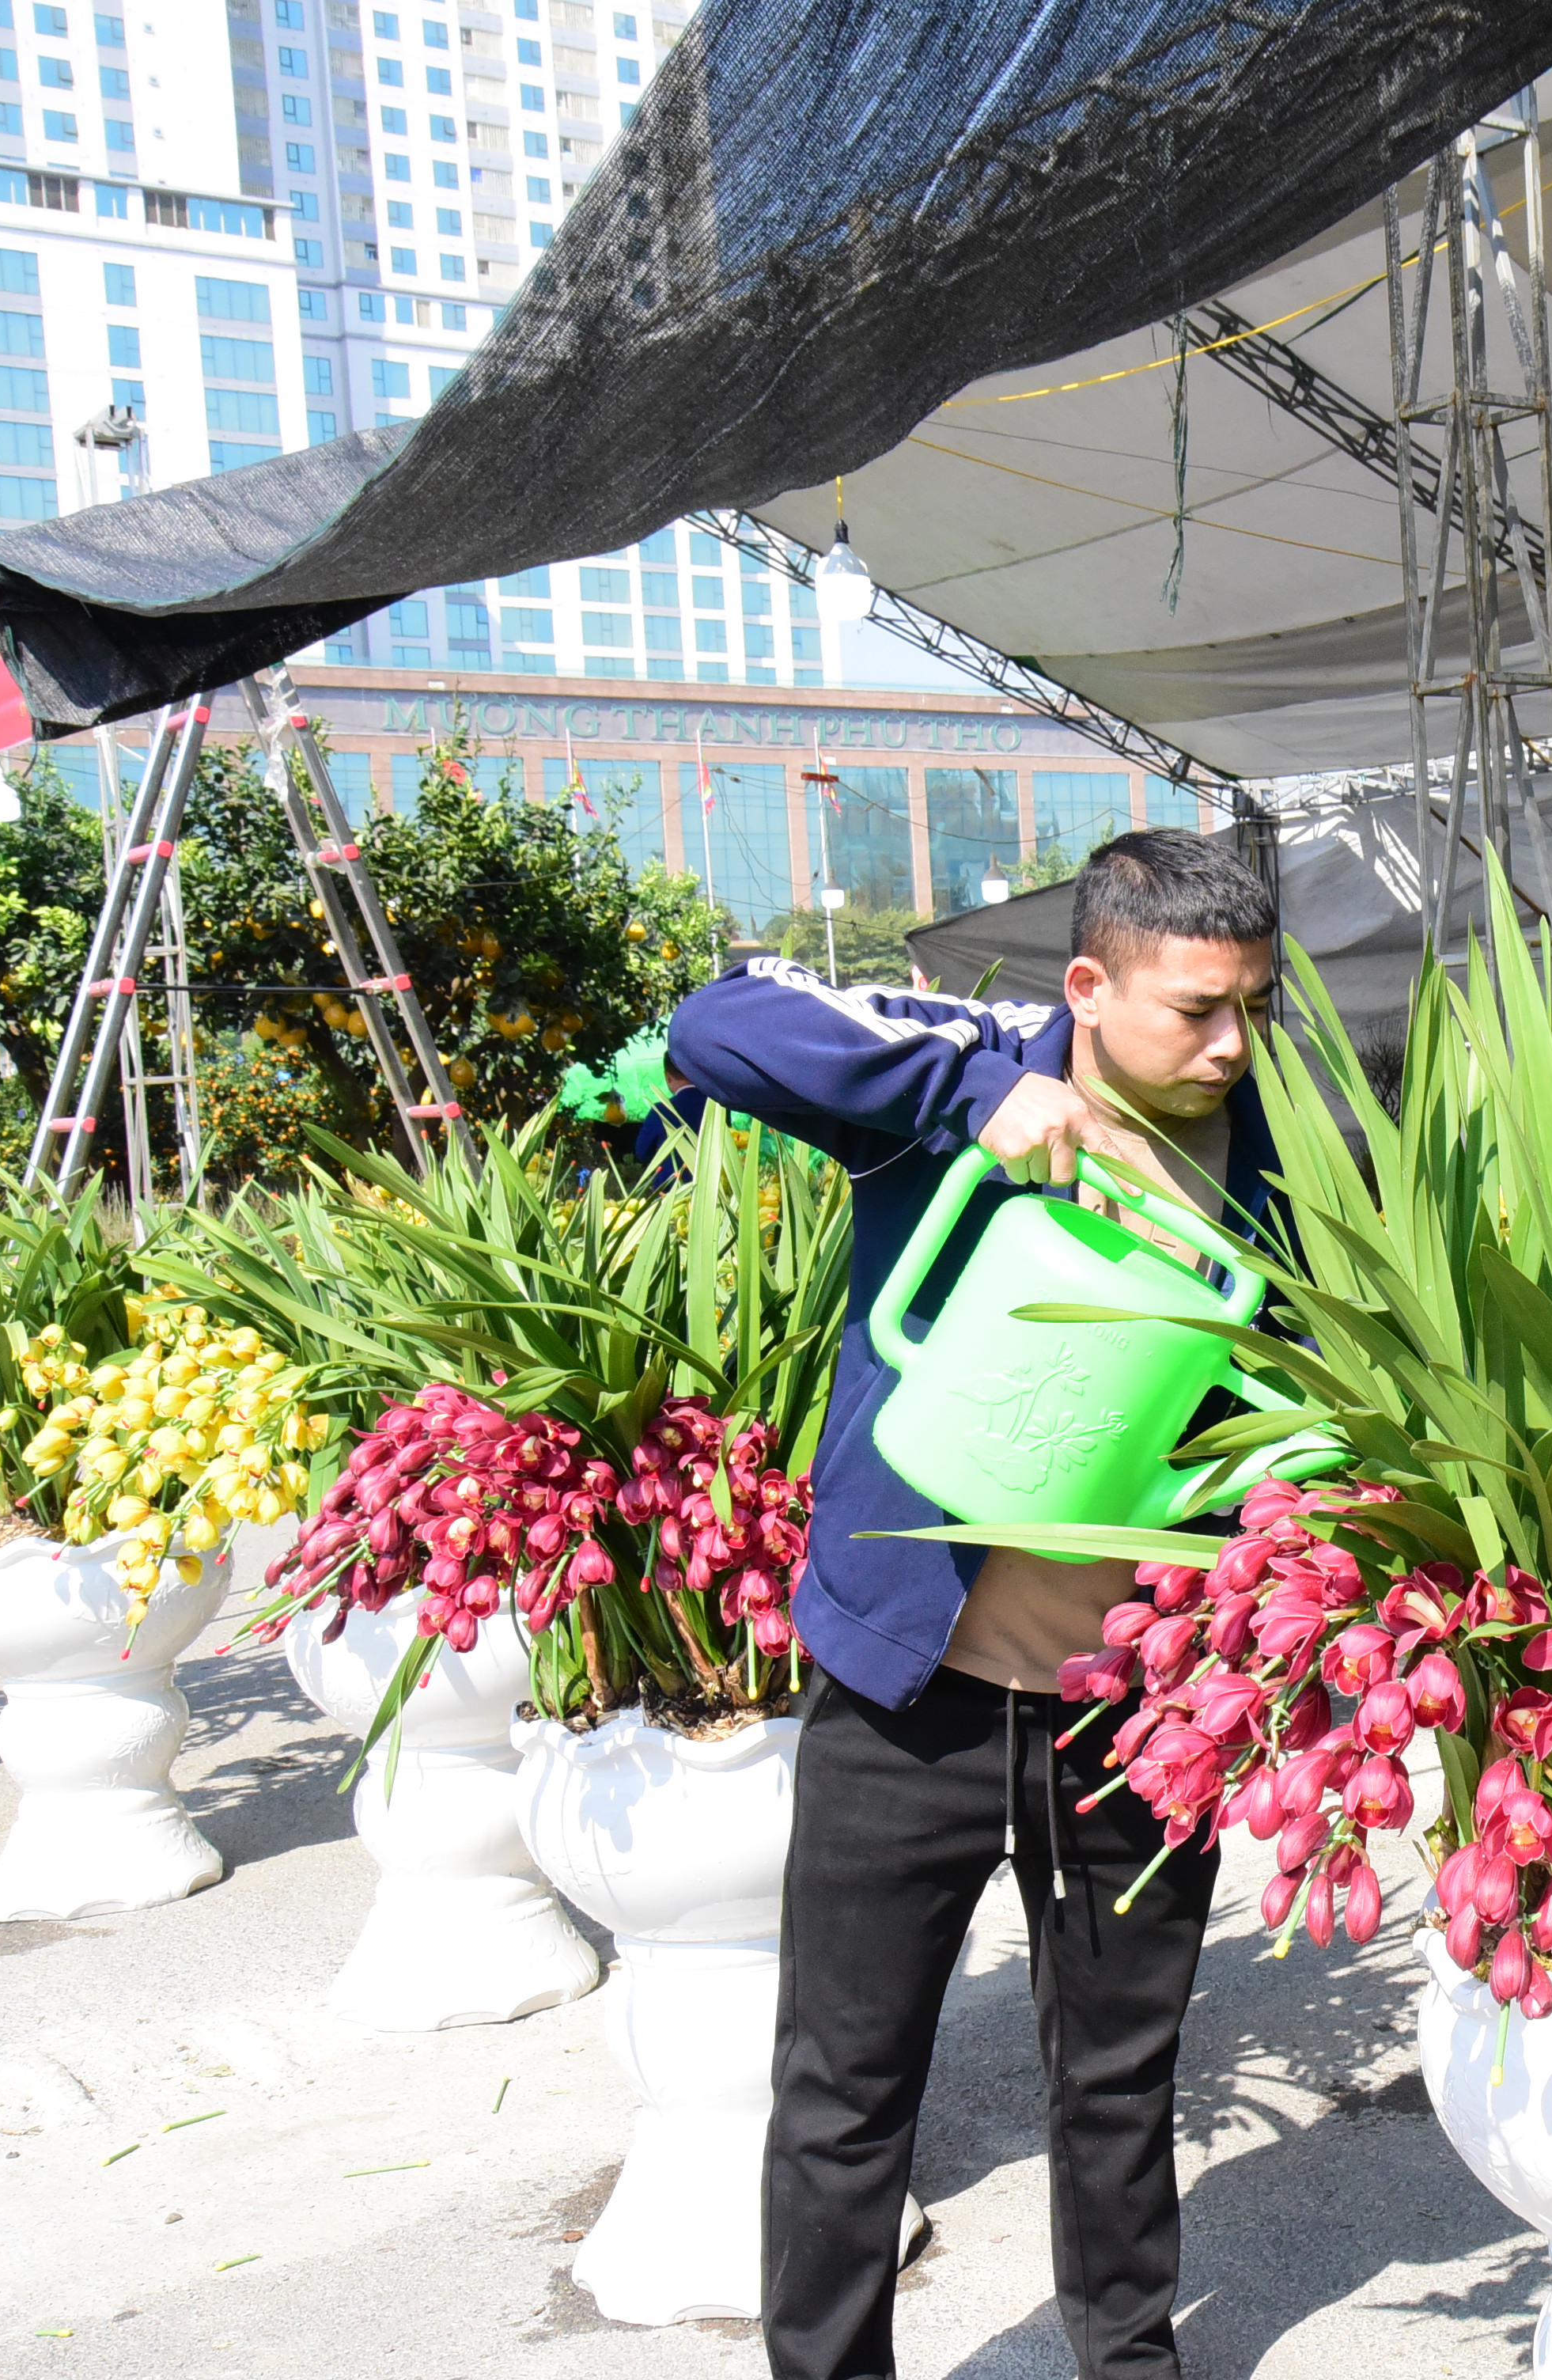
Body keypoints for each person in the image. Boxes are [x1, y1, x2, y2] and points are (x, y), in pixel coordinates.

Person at [664, 829, 1281, 2380]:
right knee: (846, 2082)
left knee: (1121, 2075)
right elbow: (715, 1024)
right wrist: (975, 1100)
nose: (1230, 1044)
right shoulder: (971, 1067)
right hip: (907, 1687)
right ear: (1090, 983)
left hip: (1133, 1708)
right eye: (1197, 1008)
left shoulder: (1276, 1158)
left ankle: (1129, 2361)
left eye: (1252, 1007)